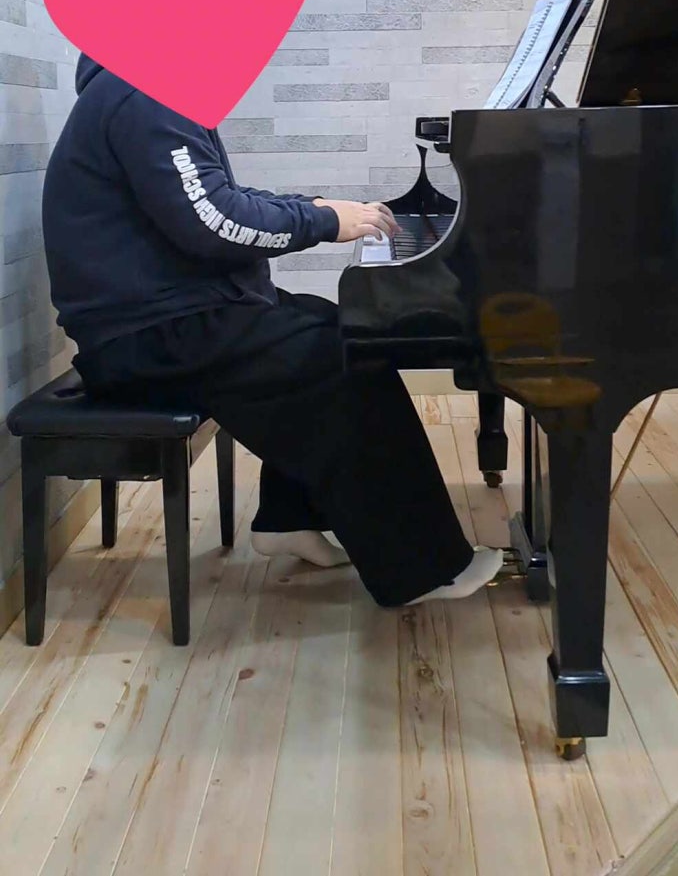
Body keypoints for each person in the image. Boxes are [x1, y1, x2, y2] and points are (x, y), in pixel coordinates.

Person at [41, 55, 502, 607]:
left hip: (165, 318)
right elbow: (213, 222)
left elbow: (213, 197)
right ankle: (428, 571)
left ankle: (288, 520)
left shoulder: (138, 88)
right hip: (146, 336)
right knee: (339, 358)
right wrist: (322, 221)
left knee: (335, 326)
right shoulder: (145, 91)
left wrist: (309, 207)